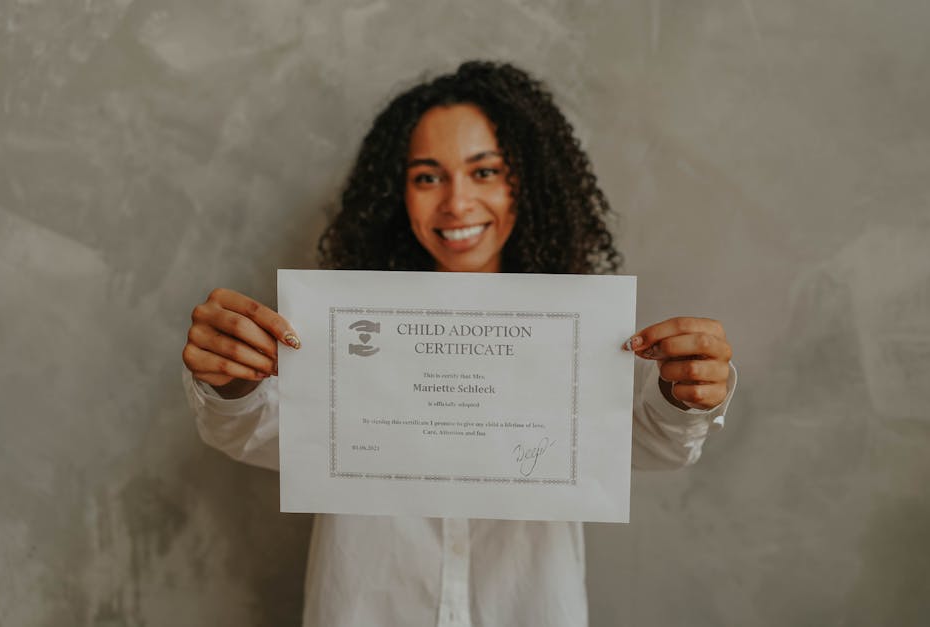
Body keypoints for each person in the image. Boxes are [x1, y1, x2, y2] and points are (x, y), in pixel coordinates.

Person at [182, 61, 736, 627]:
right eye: (427, 176)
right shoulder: (340, 335)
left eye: (485, 171)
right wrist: (233, 380)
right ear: (398, 194)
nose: (456, 203)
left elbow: (652, 447)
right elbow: (254, 432)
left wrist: (685, 394)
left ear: (529, 183)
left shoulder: (578, 340)